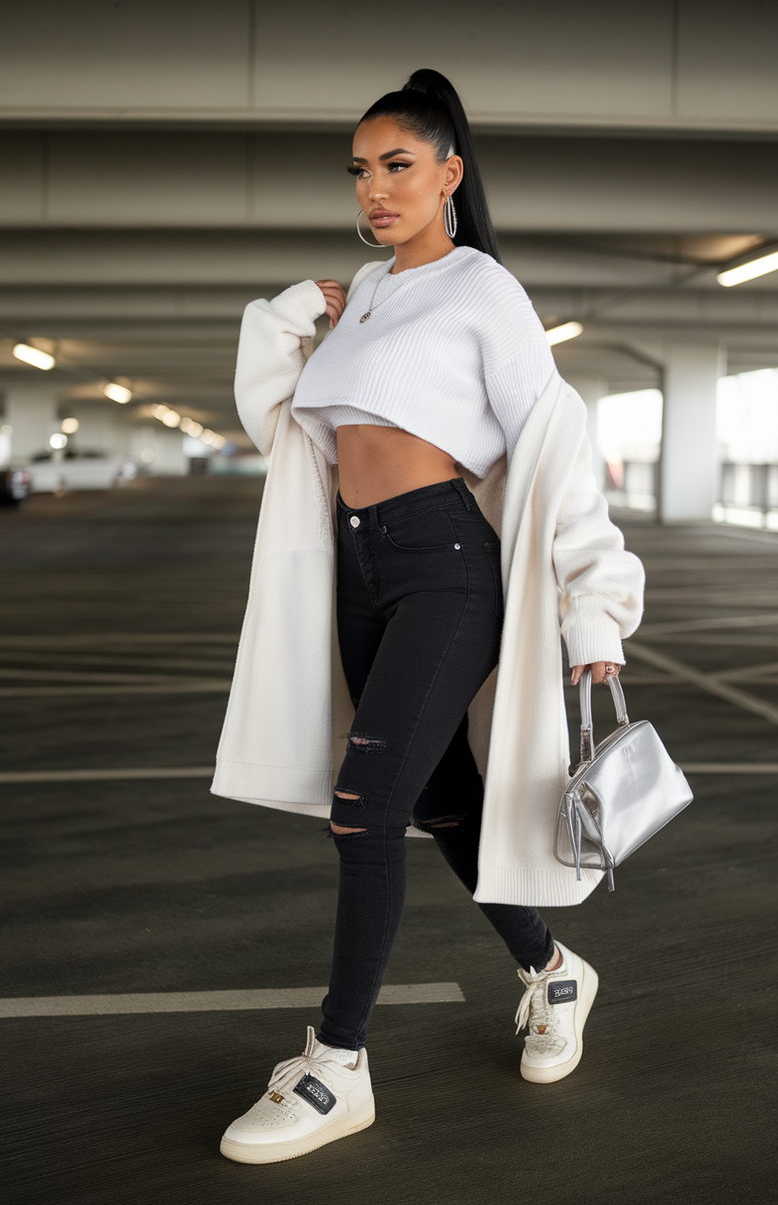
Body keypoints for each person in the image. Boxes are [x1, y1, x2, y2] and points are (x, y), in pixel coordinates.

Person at [211, 69, 644, 1165]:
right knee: (439, 798)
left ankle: (336, 1064)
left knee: (362, 810)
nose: (374, 187)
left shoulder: (480, 288)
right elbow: (290, 430)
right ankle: (553, 972)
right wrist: (284, 316)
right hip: (359, 571)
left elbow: (554, 439)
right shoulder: (362, 294)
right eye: (360, 170)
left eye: (396, 164)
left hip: (447, 568)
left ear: (449, 172)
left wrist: (594, 612)